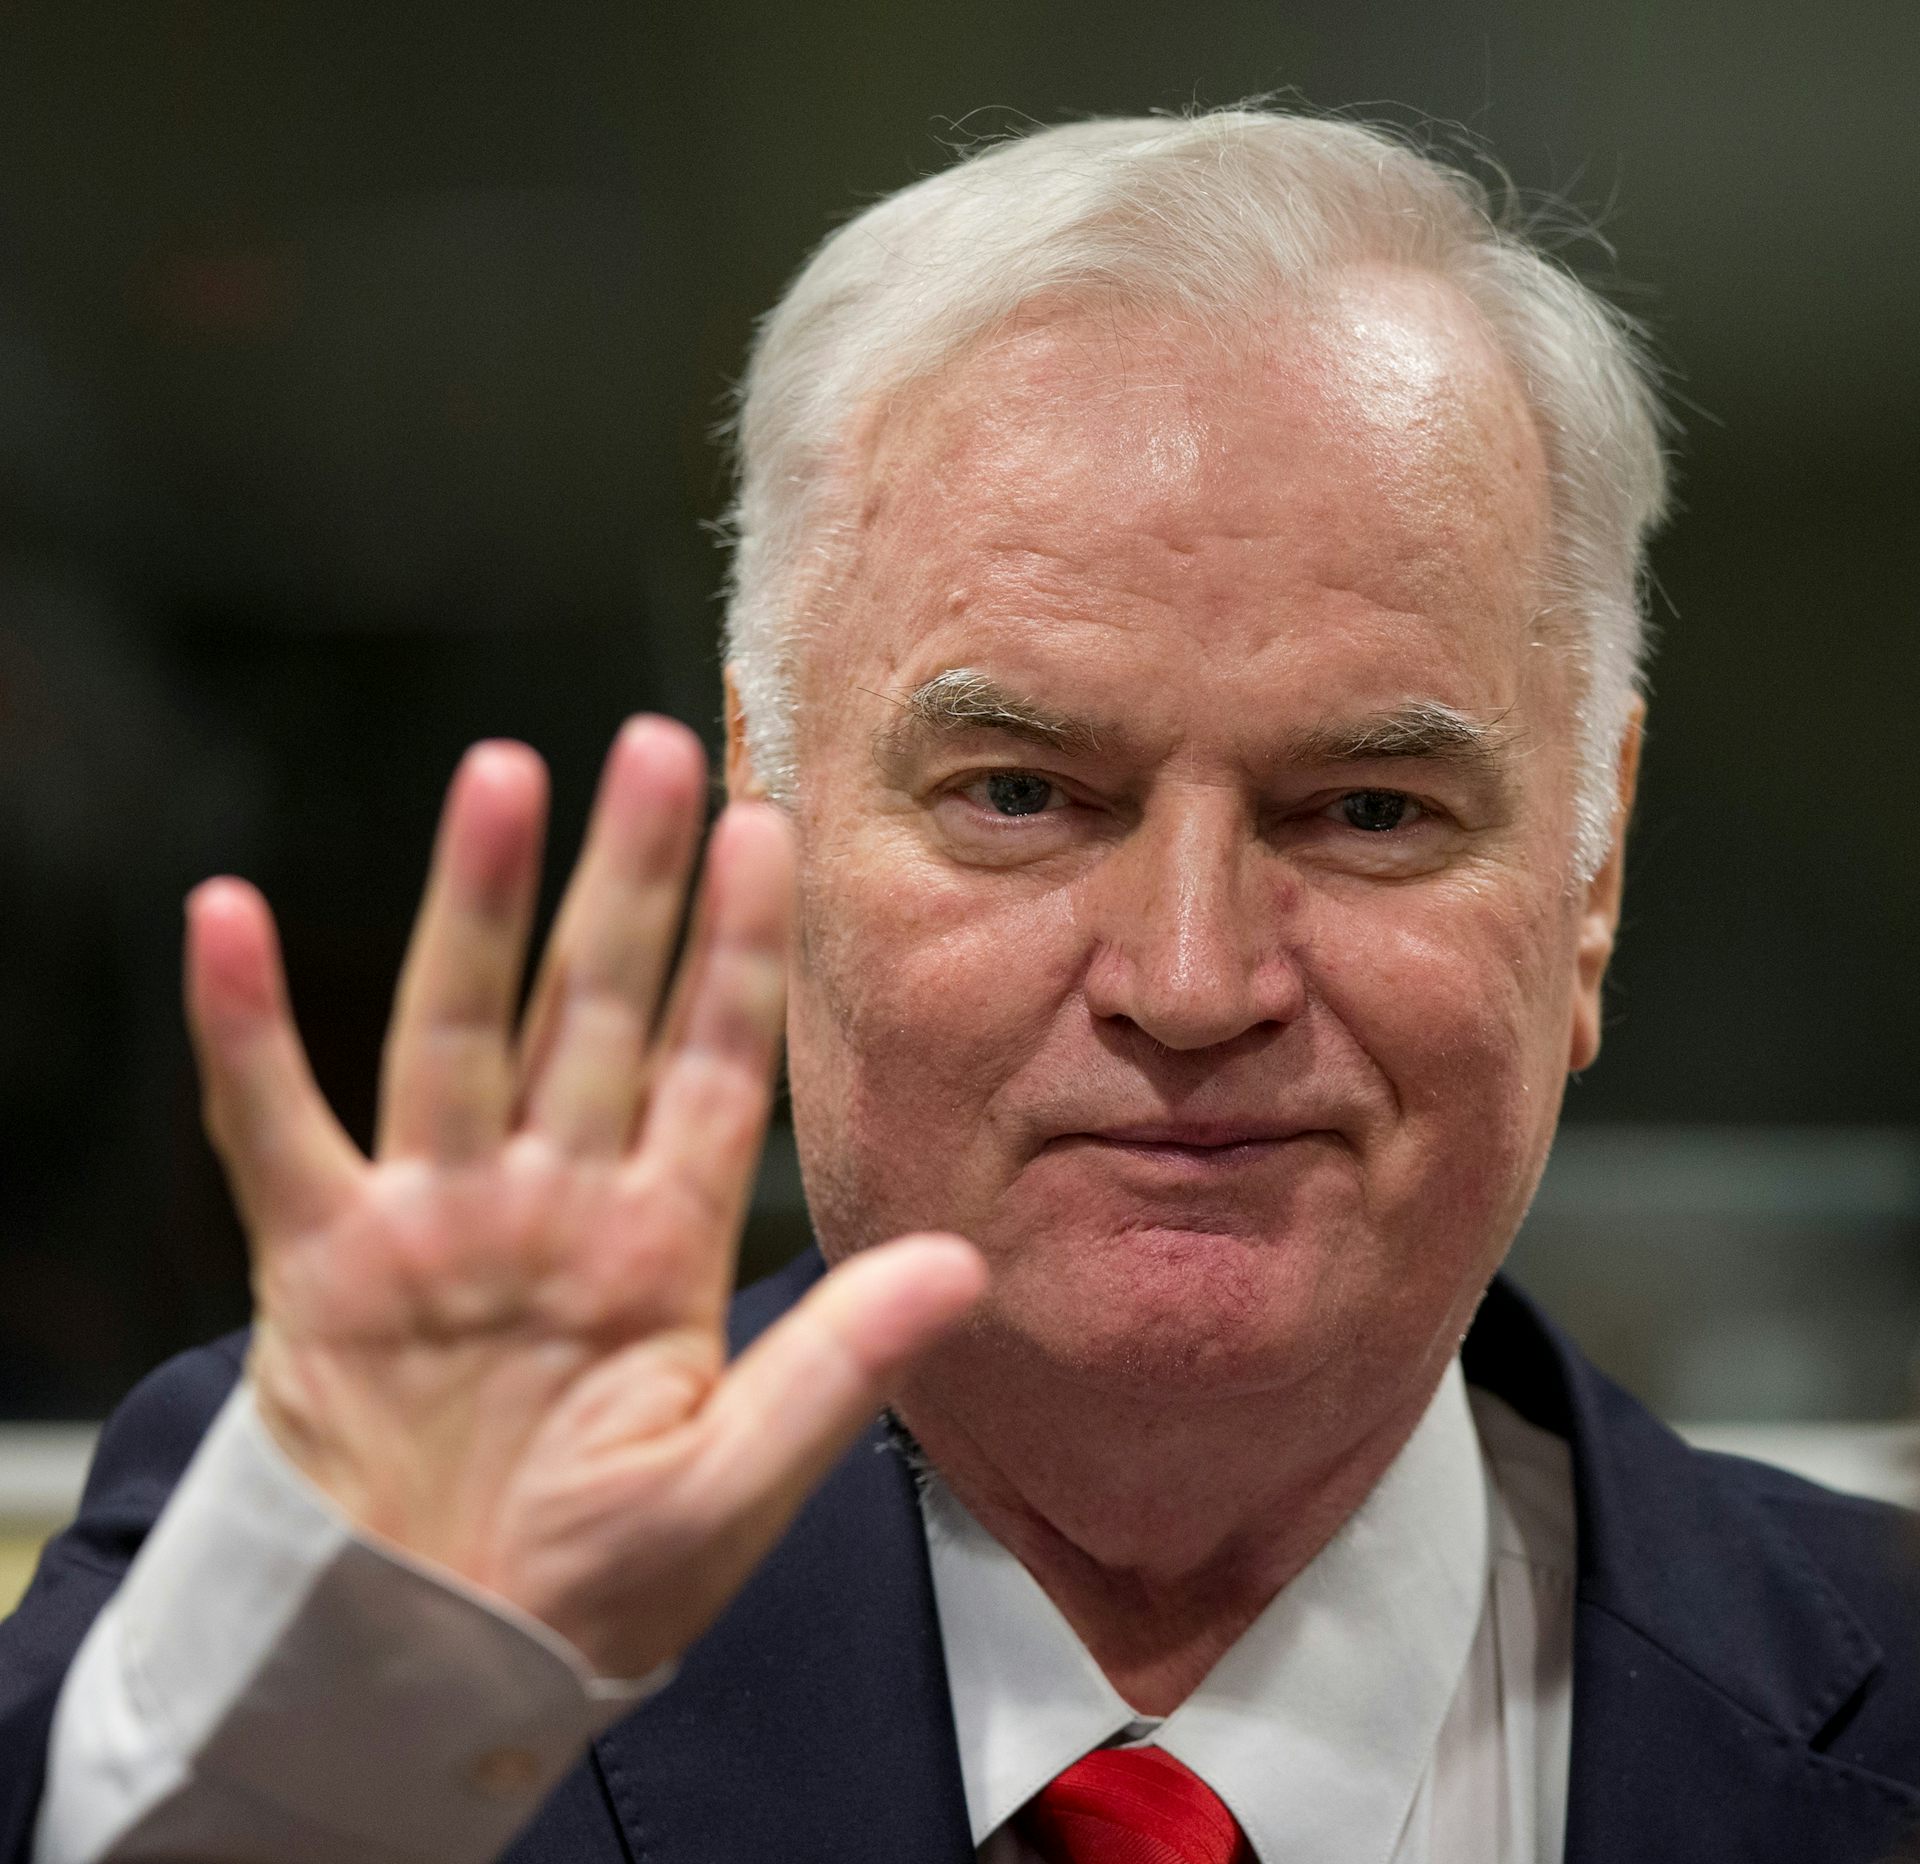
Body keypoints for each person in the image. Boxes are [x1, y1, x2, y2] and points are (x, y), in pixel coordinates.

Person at [3, 106, 1918, 1864]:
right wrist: (332, 1756)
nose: (1192, 981)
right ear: (767, 812)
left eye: (1367, 810)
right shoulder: (349, 1615)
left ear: (1590, 874)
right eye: (1018, 795)